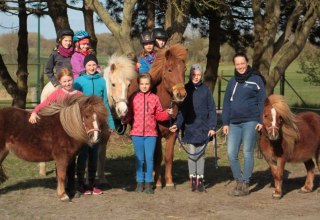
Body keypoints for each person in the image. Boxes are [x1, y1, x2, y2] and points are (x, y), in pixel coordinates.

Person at [29, 67, 82, 196]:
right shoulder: (57, 94)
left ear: (72, 79)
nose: (67, 83)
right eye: (64, 81)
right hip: (59, 133)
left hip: (73, 134)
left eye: (69, 80)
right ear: (60, 82)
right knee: (61, 159)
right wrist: (34, 112)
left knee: (72, 160)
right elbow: (44, 103)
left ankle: (71, 186)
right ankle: (61, 184)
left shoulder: (79, 95)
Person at [222, 52, 266, 196]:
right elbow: (227, 103)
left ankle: (246, 183)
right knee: (231, 153)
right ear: (234, 65)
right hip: (234, 123)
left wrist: (261, 120)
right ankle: (239, 180)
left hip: (251, 121)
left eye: (242, 63)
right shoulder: (232, 82)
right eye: (237, 64)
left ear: (247, 62)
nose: (240, 66)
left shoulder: (256, 80)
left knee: (247, 152)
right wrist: (225, 123)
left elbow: (261, 102)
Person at [122, 73, 173, 194]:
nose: (144, 86)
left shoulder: (154, 98)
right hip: (137, 133)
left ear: (150, 85)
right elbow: (129, 115)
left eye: (147, 84)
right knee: (140, 159)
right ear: (139, 84)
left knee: (149, 158)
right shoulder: (133, 97)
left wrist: (167, 113)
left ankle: (149, 182)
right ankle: (140, 182)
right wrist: (124, 119)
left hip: (151, 134)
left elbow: (159, 115)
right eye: (142, 84)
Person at [169, 64, 217, 192]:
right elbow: (182, 111)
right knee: (192, 155)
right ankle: (193, 180)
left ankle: (200, 180)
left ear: (202, 75)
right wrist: (177, 124)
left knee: (201, 155)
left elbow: (212, 109)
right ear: (190, 75)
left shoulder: (206, 90)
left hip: (203, 128)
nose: (196, 77)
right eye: (194, 75)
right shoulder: (185, 89)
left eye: (198, 75)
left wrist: (212, 126)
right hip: (190, 128)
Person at [73, 54, 115, 195]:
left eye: (93, 65)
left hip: (98, 123)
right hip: (84, 123)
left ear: (97, 66)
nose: (91, 67)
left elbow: (106, 104)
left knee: (94, 154)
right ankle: (80, 184)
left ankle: (91, 184)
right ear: (84, 66)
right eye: (89, 65)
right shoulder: (79, 81)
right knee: (83, 154)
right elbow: (74, 103)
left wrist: (111, 124)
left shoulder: (102, 81)